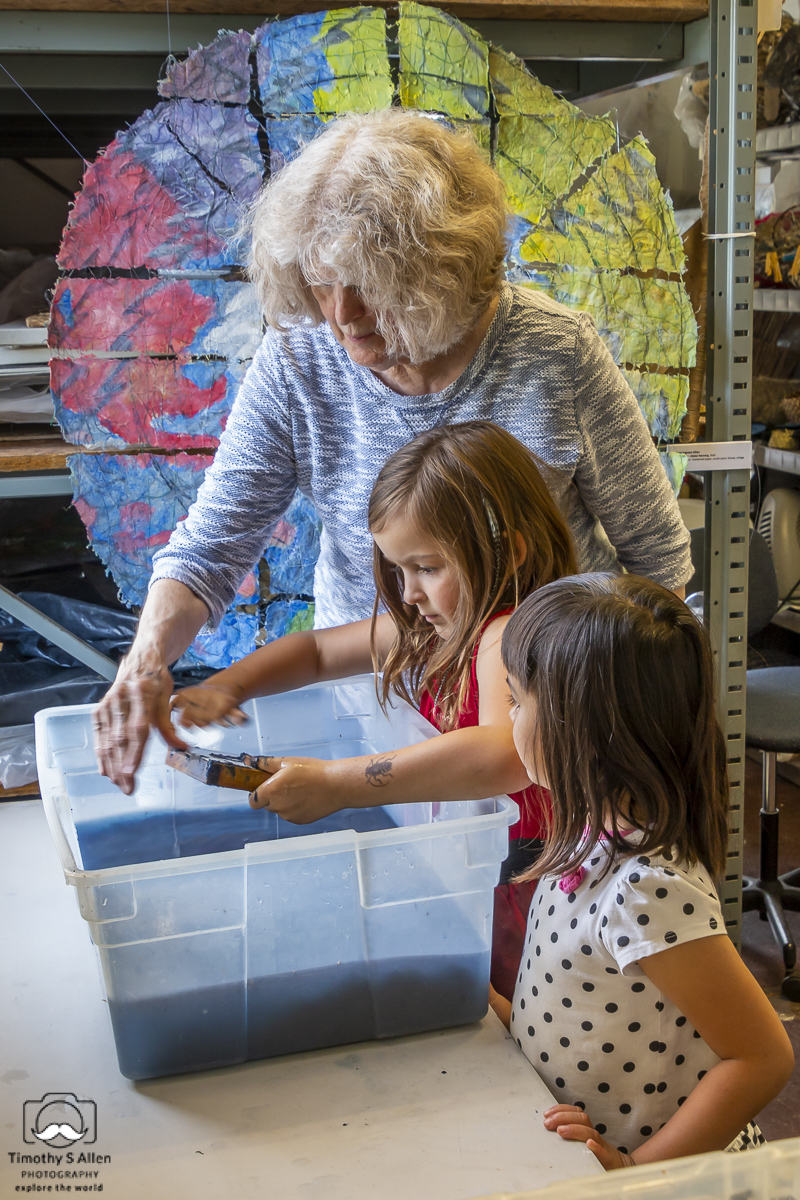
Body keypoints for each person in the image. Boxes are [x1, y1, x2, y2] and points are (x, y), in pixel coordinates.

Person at [93, 106, 692, 795]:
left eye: (370, 285)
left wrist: (627, 721)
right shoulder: (298, 361)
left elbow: (658, 565)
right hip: (379, 716)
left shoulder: (557, 354)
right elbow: (212, 547)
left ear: (443, 273)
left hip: (553, 723)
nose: (340, 314)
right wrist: (146, 663)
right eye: (322, 282)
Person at [490, 574, 793, 1168]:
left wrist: (633, 1172)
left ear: (582, 732)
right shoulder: (589, 831)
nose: (507, 718)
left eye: (516, 701)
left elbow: (762, 1058)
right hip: (571, 1158)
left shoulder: (645, 888)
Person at [170, 422, 573, 841]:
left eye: (427, 568)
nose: (410, 593)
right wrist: (229, 685)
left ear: (507, 552)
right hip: (464, 846)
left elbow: (503, 755)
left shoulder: (506, 634)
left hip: (522, 855)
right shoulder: (438, 629)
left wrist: (337, 784)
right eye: (400, 569)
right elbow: (318, 653)